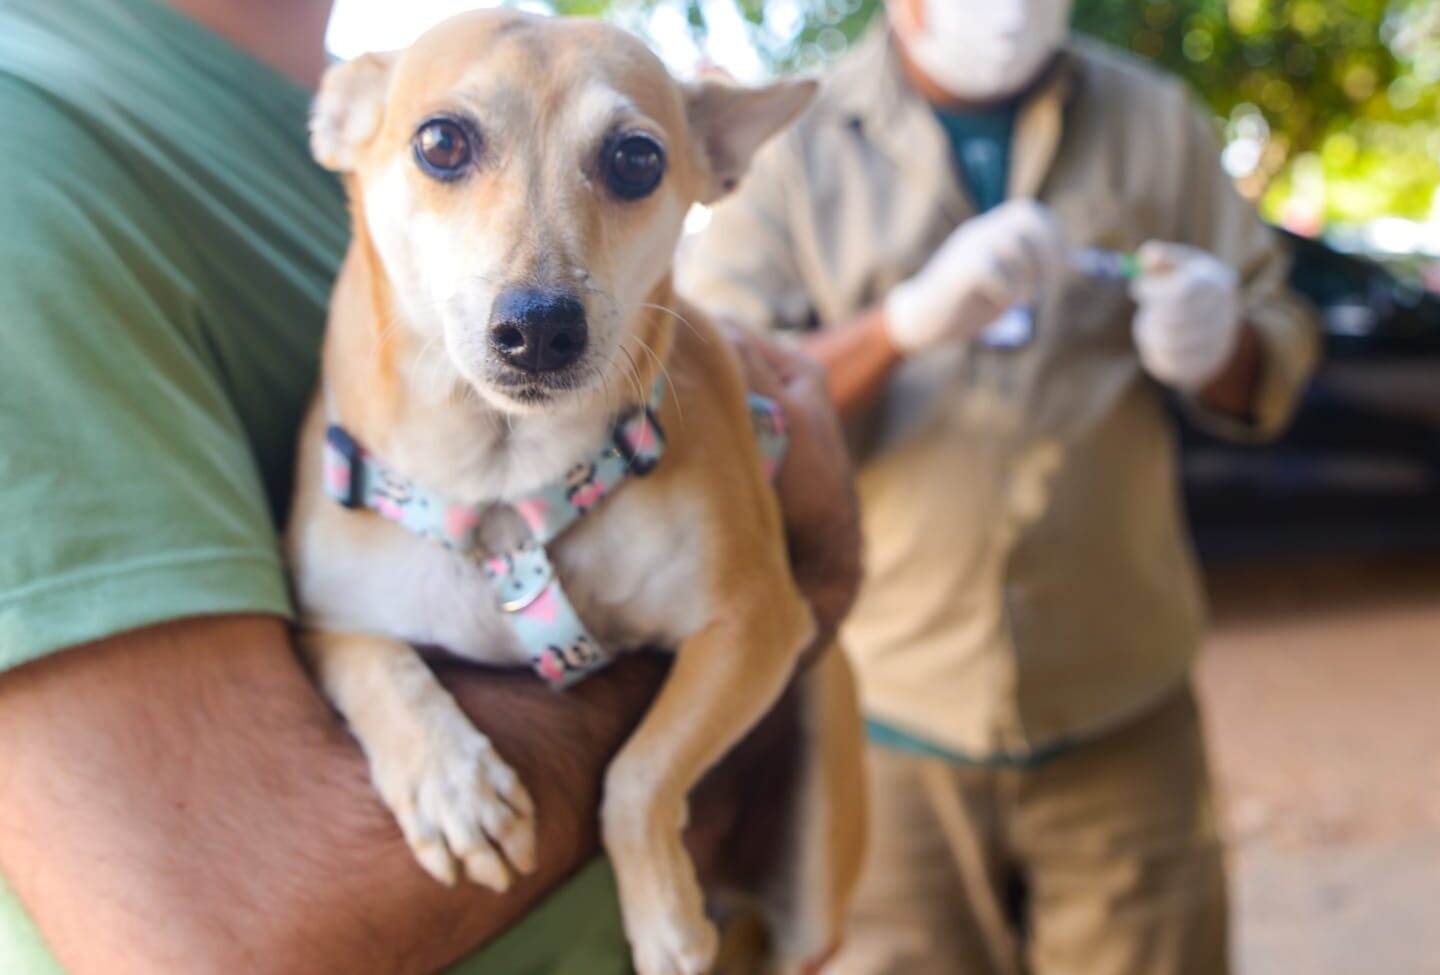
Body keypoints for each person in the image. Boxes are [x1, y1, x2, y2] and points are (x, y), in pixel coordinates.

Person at [0, 0, 860, 972]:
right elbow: (207, 935)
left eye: (626, 165)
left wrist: (647, 797)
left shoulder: (293, 92)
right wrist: (818, 563)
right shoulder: (28, 142)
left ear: (713, 162)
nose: (541, 294)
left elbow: (757, 624)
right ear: (344, 130)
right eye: (451, 148)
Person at [679, 0, 1321, 972]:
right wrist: (895, 327)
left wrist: (1222, 340)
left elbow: (1279, 339)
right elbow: (715, 399)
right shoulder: (786, 146)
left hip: (1120, 710)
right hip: (882, 717)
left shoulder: (1157, 120)